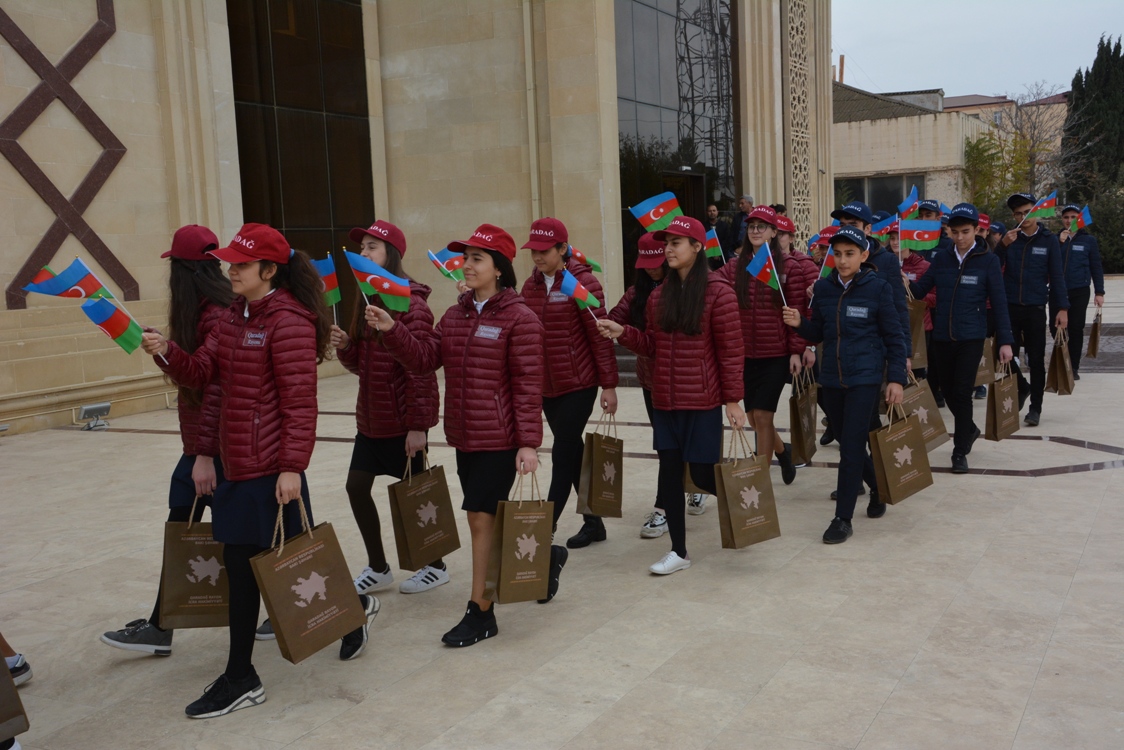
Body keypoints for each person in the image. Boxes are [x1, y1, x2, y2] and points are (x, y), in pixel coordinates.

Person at [141, 223, 379, 718]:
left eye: (241, 265)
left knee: (263, 565)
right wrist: (167, 353)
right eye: (230, 263)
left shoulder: (288, 321)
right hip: (237, 465)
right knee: (279, 560)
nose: (231, 270)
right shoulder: (232, 316)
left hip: (270, 471)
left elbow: (300, 403)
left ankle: (241, 676)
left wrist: (292, 467)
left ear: (269, 270)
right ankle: (346, 622)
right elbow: (206, 379)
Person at [370, 224, 557, 646]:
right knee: (483, 519)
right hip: (464, 435)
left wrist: (528, 442)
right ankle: (548, 559)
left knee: (479, 520)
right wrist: (391, 329)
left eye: (477, 258)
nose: (466, 265)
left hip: (501, 437)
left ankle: (480, 612)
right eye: (465, 257)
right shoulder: (455, 315)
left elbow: (528, 385)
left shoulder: (520, 318)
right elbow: (423, 358)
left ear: (499, 269)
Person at [100, 226, 232, 657]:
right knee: (184, 527)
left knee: (266, 536)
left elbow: (210, 385)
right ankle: (161, 624)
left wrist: (204, 455)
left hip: (217, 447)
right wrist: (165, 348)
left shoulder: (216, 314)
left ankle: (340, 613)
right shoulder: (207, 312)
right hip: (208, 444)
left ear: (184, 271)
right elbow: (195, 372)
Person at [597, 216, 746, 575]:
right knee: (669, 474)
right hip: (664, 398)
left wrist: (733, 400)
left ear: (698, 247)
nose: (668, 249)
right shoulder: (659, 295)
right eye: (666, 243)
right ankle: (679, 551)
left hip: (702, 400)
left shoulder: (718, 292)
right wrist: (623, 333)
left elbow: (730, 350)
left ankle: (744, 504)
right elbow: (652, 346)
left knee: (703, 473)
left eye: (676, 243)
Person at [333, 220, 445, 595]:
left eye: (372, 248)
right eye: (362, 248)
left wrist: (418, 426)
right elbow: (362, 367)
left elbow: (421, 369)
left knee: (414, 498)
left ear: (391, 255)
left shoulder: (410, 303)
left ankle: (436, 564)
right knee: (356, 487)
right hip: (371, 420)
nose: (363, 254)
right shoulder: (368, 298)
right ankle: (378, 567)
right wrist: (347, 345)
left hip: (402, 422)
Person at [782, 225, 908, 543]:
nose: (842, 260)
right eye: (836, 254)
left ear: (864, 255)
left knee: (851, 447)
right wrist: (800, 324)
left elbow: (895, 337)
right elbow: (819, 333)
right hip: (832, 380)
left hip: (865, 379)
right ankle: (878, 486)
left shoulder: (877, 288)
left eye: (849, 254)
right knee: (846, 439)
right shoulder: (824, 289)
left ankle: (842, 519)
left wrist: (895, 379)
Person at [519, 217, 619, 549]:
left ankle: (543, 530)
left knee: (562, 454)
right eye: (533, 251)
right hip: (547, 385)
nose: (537, 257)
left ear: (562, 249)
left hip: (579, 382)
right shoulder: (530, 286)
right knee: (573, 452)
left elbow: (600, 336)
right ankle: (594, 524)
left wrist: (609, 385)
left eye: (544, 251)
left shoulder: (583, 283)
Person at [908, 204, 1014, 473]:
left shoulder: (987, 260)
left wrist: (1005, 341)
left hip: (971, 336)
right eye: (954, 232)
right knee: (945, 387)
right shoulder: (942, 258)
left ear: (977, 230)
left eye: (965, 232)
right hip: (943, 336)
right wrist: (904, 282)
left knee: (962, 392)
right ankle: (969, 428)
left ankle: (959, 450)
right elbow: (920, 290)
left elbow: (999, 302)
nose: (960, 237)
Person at [830, 201, 910, 514]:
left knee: (864, 429)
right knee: (849, 431)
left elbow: (896, 311)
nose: (845, 226)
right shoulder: (835, 257)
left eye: (852, 221)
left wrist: (899, 361)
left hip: (871, 361)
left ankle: (867, 482)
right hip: (837, 361)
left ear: (867, 229)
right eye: (841, 222)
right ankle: (871, 479)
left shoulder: (885, 261)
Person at [720, 205, 807, 485]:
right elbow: (712, 286)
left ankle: (760, 479)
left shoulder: (789, 268)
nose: (755, 231)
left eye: (762, 227)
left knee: (762, 416)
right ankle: (783, 453)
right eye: (751, 226)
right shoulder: (734, 266)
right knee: (753, 418)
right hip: (742, 354)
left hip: (775, 354)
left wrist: (796, 350)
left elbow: (796, 312)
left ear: (773, 232)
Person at [609, 233, 669, 537]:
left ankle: (685, 491)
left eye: (657, 263)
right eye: (646, 264)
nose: (652, 270)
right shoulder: (636, 292)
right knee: (665, 443)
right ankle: (666, 505)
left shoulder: (686, 290)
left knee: (683, 445)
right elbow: (612, 319)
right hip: (651, 379)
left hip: (684, 381)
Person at [995, 193, 1068, 426]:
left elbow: (1057, 277)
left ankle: (1035, 407)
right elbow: (991, 269)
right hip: (1009, 307)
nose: (1022, 217)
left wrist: (1062, 308)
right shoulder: (1009, 239)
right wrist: (1001, 247)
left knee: (1035, 359)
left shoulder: (1048, 240)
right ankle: (1021, 387)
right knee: (1005, 355)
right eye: (1017, 213)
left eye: (1026, 212)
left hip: (1035, 307)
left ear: (1035, 212)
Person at [1054, 205, 1105, 380]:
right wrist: (1059, 243)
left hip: (1079, 290)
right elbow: (1049, 262)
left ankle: (1073, 367)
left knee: (1075, 329)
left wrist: (1100, 292)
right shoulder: (1055, 239)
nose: (1069, 220)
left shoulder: (1088, 241)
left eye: (1073, 217)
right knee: (1057, 329)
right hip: (1057, 290)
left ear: (1080, 219)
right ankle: (1061, 361)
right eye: (1066, 217)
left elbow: (1096, 267)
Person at [891, 225, 936, 387]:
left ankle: (918, 408)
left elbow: (934, 298)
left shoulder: (924, 266)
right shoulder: (887, 263)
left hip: (919, 326)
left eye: (899, 238)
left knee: (917, 372)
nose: (895, 242)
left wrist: (911, 293)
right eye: (892, 238)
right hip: (894, 325)